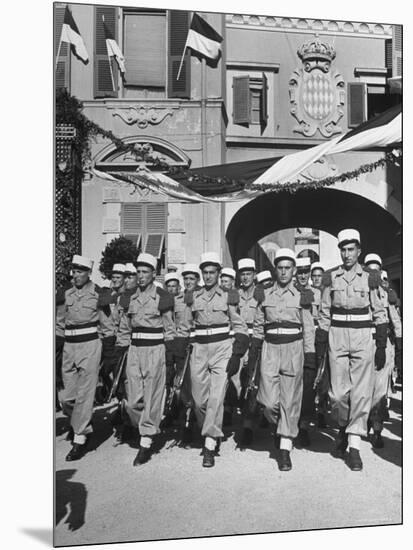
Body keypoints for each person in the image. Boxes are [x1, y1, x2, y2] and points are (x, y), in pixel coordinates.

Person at [316, 230, 388, 471]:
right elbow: (325, 311)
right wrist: (322, 341)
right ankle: (346, 429)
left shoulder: (371, 277)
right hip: (337, 334)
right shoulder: (330, 277)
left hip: (361, 336)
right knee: (337, 395)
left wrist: (380, 344)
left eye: (351, 249)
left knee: (361, 392)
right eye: (343, 250)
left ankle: (354, 446)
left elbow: (380, 312)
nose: (347, 254)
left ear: (359, 251)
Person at [182, 252, 249, 467]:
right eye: (205, 272)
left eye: (212, 272)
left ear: (219, 274)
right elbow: (185, 326)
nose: (209, 276)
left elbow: (239, 325)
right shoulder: (193, 296)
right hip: (200, 349)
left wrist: (237, 354)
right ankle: (209, 428)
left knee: (216, 397)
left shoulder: (228, 296)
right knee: (199, 400)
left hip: (222, 349)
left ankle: (210, 442)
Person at [254, 248, 315, 471]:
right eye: (279, 268)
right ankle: (278, 427)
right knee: (269, 402)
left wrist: (309, 357)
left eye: (287, 268)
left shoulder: (302, 295)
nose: (283, 272)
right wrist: (254, 350)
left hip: (293, 350)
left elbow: (308, 328)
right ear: (275, 269)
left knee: (290, 401)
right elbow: (259, 325)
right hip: (270, 350)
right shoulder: (265, 293)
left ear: (294, 270)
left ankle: (285, 449)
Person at [57, 255, 115, 461]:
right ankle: (79, 423)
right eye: (74, 271)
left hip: (90, 346)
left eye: (80, 271)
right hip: (69, 348)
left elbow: (107, 326)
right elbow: (59, 322)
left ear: (89, 273)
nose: (76, 275)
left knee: (85, 394)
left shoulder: (99, 294)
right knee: (66, 398)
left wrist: (108, 354)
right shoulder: (66, 294)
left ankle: (80, 438)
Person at [122, 253, 177, 465]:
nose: (141, 276)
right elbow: (125, 328)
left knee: (153, 395)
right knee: (133, 401)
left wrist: (170, 356)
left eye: (145, 272)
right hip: (135, 350)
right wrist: (121, 351)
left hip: (155, 349)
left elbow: (169, 329)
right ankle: (145, 425)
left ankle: (146, 440)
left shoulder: (163, 297)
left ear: (154, 274)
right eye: (138, 272)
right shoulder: (129, 297)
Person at [364, 255, 402, 448]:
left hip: (383, 343)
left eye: (376, 270)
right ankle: (363, 421)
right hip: (362, 342)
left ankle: (377, 428)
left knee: (379, 390)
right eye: (369, 269)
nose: (373, 273)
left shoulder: (387, 294)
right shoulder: (360, 291)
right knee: (362, 387)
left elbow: (396, 322)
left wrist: (400, 347)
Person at [236, 258, 262, 448]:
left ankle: (248, 427)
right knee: (237, 384)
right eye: (242, 274)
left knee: (253, 384)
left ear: (254, 275)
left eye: (248, 274)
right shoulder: (234, 295)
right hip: (238, 342)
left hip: (256, 342)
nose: (245, 277)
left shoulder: (261, 294)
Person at [295, 257, 318, 447]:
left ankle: (303, 427)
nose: (303, 275)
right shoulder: (291, 293)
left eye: (306, 272)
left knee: (308, 389)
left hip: (312, 346)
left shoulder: (318, 293)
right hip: (292, 347)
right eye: (300, 272)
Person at [310, 262, 329, 429]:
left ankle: (322, 410)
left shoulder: (329, 292)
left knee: (325, 375)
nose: (316, 279)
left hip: (328, 336)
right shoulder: (309, 293)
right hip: (313, 336)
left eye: (319, 276)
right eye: (314, 276)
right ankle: (313, 409)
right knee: (314, 373)